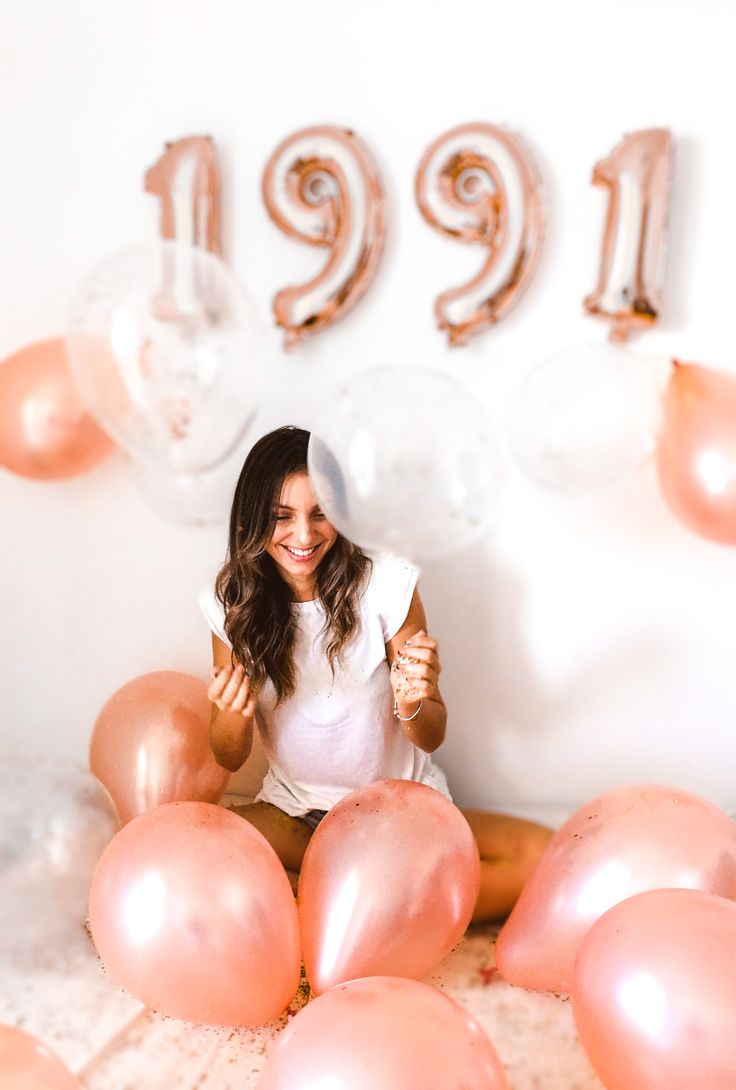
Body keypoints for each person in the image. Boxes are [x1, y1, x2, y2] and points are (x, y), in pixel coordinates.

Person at [200, 426, 552, 922]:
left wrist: (414, 698)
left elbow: (430, 735)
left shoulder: (385, 585)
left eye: (320, 514)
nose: (303, 536)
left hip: (395, 813)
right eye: (281, 518)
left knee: (539, 855)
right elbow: (227, 754)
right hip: (296, 815)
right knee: (200, 848)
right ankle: (350, 897)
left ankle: (353, 903)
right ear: (250, 523)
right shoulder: (231, 604)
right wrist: (233, 715)